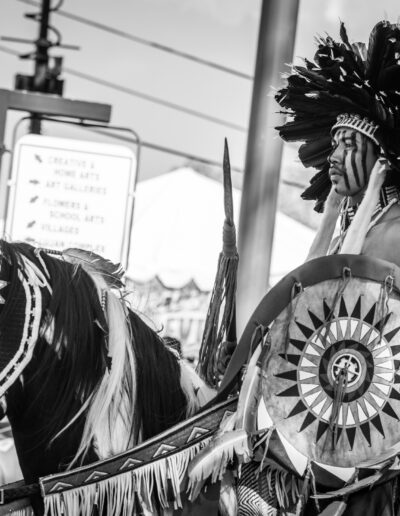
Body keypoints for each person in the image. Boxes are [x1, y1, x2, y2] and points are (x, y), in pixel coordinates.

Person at [273, 19, 400, 515]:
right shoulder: (348, 222)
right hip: (334, 409)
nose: (333, 156)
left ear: (381, 158)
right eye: (333, 144)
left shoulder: (394, 224)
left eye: (349, 145)